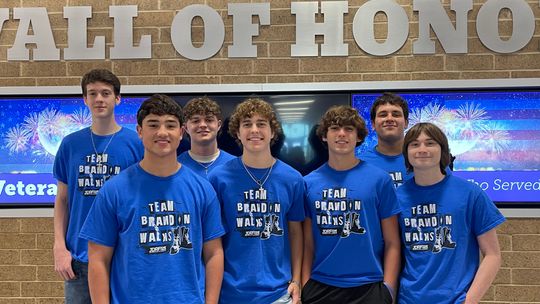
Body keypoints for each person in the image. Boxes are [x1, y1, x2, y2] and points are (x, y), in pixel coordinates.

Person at [80, 94, 225, 303]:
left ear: (181, 132)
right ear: (139, 131)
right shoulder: (113, 191)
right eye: (153, 125)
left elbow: (213, 254)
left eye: (170, 125)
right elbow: (98, 258)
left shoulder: (202, 189)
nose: (162, 132)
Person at [53, 69, 143, 303]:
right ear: (85, 99)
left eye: (105, 93)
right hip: (79, 258)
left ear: (118, 98)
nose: (99, 99)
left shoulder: (136, 143)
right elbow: (62, 199)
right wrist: (59, 247)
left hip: (123, 257)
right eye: (92, 93)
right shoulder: (70, 144)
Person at [208, 97, 304, 304]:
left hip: (279, 293)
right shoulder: (218, 178)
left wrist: (297, 280)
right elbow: (212, 239)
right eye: (247, 124)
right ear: (237, 132)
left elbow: (296, 232)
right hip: (231, 292)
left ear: (272, 132)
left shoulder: (293, 179)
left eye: (261, 124)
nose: (254, 130)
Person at [302, 105, 401, 304]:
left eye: (349, 129)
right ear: (324, 136)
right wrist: (305, 286)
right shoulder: (307, 183)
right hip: (321, 286)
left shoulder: (379, 180)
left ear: (358, 137)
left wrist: (388, 290)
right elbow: (308, 243)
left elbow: (392, 242)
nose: (341, 134)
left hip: (369, 287)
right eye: (335, 128)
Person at [397, 122, 504, 304]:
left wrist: (470, 301)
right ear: (407, 153)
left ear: (443, 150)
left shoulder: (471, 193)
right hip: (408, 299)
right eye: (414, 144)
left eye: (430, 143)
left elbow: (493, 255)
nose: (422, 149)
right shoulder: (396, 197)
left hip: (455, 300)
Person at [358, 92, 413, 188]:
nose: (389, 118)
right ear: (373, 124)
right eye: (383, 115)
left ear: (406, 123)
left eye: (396, 114)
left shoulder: (427, 160)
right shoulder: (358, 164)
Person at [177, 96, 235, 177]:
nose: (203, 125)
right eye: (196, 121)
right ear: (186, 127)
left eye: (209, 120)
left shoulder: (235, 165)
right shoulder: (176, 166)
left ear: (218, 125)